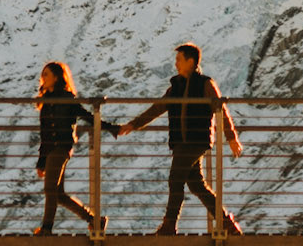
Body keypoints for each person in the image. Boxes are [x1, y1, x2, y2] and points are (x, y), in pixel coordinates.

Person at [118, 42, 243, 235]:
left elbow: (220, 110)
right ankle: (227, 223)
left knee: (175, 178)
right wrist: (134, 124)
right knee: (196, 184)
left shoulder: (205, 84)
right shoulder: (175, 86)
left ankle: (169, 225)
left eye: (179, 59)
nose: (176, 64)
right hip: (181, 143)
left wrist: (231, 137)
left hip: (196, 141)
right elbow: (158, 107)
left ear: (190, 61)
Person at [33, 59, 115, 235]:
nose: (42, 77)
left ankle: (47, 228)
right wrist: (41, 162)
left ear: (56, 77)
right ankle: (94, 220)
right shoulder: (45, 102)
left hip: (61, 148)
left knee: (50, 189)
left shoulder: (66, 99)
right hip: (52, 150)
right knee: (59, 194)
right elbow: (45, 134)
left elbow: (88, 117)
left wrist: (110, 127)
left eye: (46, 74)